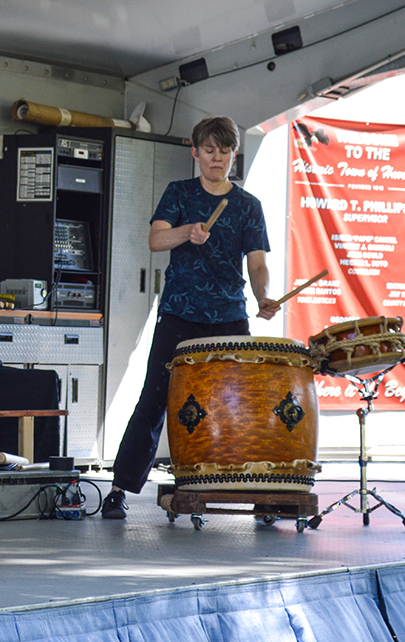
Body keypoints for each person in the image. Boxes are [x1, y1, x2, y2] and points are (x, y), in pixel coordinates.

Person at [100, 115, 279, 519]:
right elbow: (156, 238)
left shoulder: (248, 205)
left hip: (230, 317)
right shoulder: (178, 193)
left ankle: (259, 494)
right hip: (180, 315)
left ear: (235, 154)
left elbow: (257, 263)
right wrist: (188, 232)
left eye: (225, 151)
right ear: (196, 152)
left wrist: (264, 296)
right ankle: (119, 490)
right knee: (153, 401)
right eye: (210, 150)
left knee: (239, 405)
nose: (217, 159)